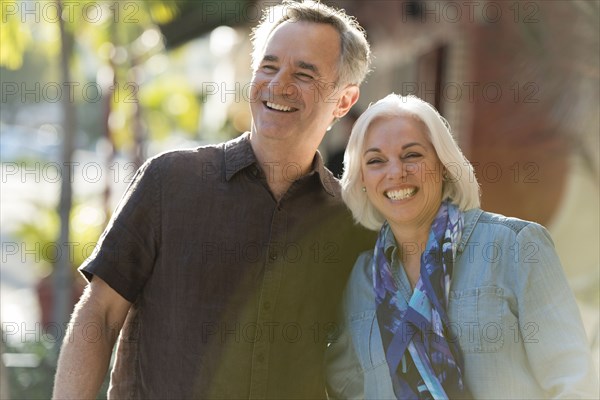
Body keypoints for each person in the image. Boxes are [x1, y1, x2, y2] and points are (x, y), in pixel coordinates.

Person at [52, 1, 375, 399]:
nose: (278, 85)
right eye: (269, 67)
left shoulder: (352, 223)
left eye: (303, 73)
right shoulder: (169, 182)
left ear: (344, 101)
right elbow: (99, 316)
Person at [325, 94, 599, 399]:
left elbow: (574, 382)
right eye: (376, 160)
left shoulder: (516, 246)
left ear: (443, 165)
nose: (395, 172)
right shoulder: (359, 281)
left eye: (412, 155)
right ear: (361, 179)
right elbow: (347, 390)